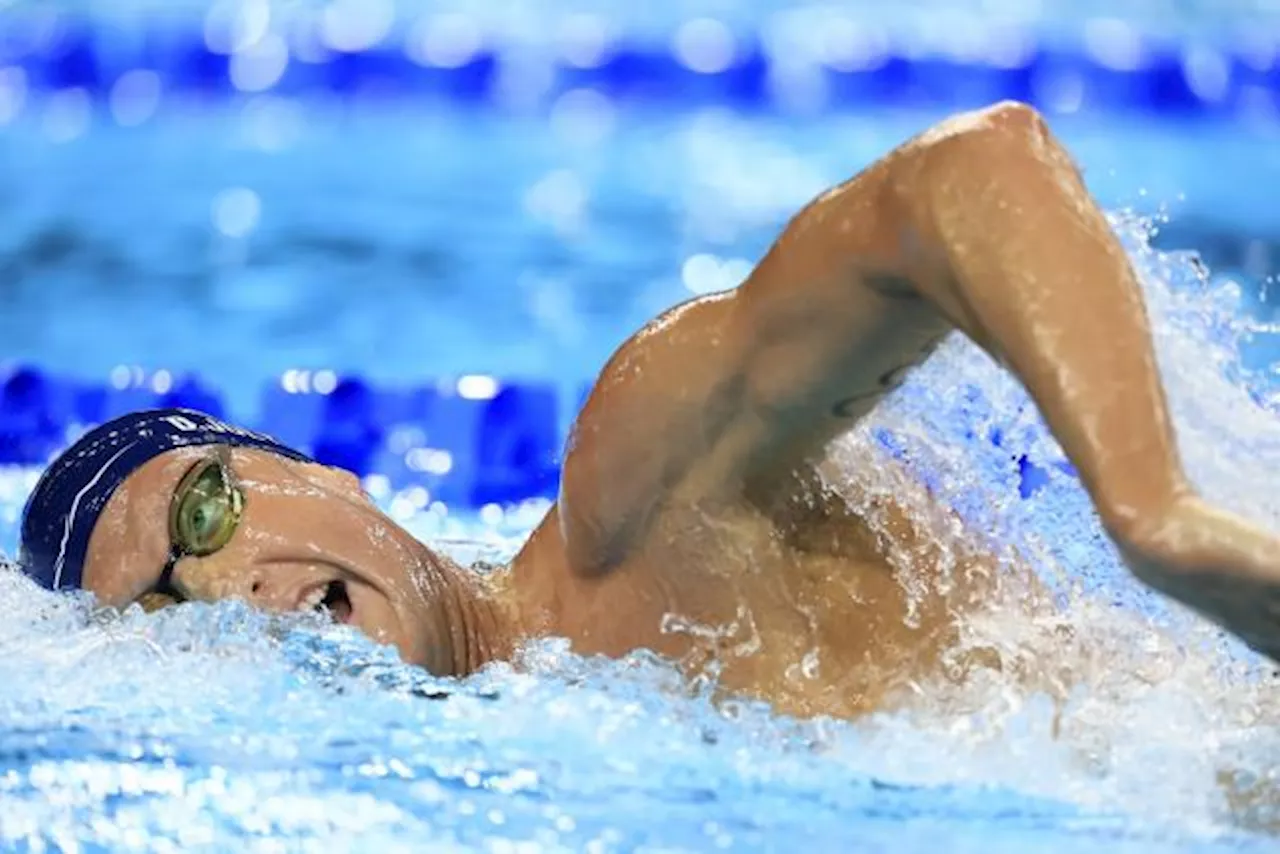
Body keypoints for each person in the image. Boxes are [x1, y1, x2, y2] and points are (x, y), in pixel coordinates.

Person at [16, 101, 1280, 719]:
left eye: (205, 506)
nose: (219, 586)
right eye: (161, 610)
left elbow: (970, 174)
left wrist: (1149, 509)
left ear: (329, 474)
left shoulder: (632, 500)